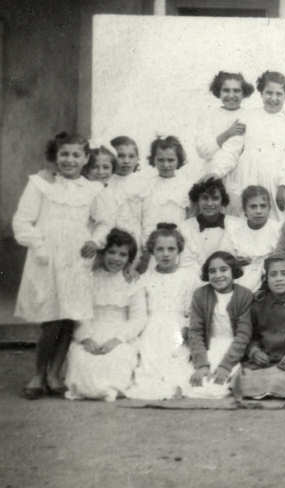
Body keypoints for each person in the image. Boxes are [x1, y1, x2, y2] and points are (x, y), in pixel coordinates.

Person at [13, 132, 115, 399]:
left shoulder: (93, 189)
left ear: (86, 158)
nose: (70, 160)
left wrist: (95, 240)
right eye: (64, 154)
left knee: (70, 316)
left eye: (76, 155)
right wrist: (39, 245)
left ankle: (54, 373)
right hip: (47, 257)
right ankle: (38, 374)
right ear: (55, 156)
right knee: (51, 319)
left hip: (76, 258)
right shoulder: (40, 184)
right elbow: (22, 221)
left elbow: (105, 221)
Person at [208, 71, 285, 221]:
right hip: (246, 176)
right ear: (261, 93)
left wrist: (284, 184)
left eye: (279, 94)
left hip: (276, 180)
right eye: (269, 93)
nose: (273, 98)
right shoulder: (247, 116)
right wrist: (216, 171)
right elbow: (232, 149)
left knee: (276, 222)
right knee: (243, 219)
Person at [64, 229, 145, 401]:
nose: (116, 258)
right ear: (102, 253)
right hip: (91, 330)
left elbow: (138, 318)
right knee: (81, 357)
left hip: (120, 333)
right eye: (111, 252)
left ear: (129, 258)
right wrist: (85, 338)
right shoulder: (89, 278)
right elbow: (80, 313)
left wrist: (118, 339)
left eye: (122, 254)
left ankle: (110, 390)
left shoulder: (132, 281)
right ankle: (85, 389)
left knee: (117, 357)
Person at [126, 224, 195, 400]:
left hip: (178, 328)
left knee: (177, 362)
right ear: (152, 251)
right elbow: (139, 312)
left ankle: (176, 383)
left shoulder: (188, 277)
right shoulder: (144, 279)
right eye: (160, 249)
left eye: (171, 249)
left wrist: (188, 327)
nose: (165, 254)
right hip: (152, 328)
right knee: (150, 364)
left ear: (179, 250)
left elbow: (192, 309)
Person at [185, 252, 254, 399]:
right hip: (208, 348)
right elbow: (195, 332)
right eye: (212, 271)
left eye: (223, 270)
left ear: (233, 271)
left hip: (234, 350)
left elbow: (243, 335)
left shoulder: (245, 295)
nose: (218, 275)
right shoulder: (200, 295)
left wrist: (225, 366)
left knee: (218, 388)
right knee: (195, 386)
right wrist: (202, 365)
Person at [236, 254, 285, 399]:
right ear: (266, 279)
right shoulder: (258, 304)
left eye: (284, 274)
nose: (279, 279)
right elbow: (250, 335)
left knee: (284, 381)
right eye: (273, 275)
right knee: (244, 380)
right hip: (264, 361)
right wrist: (254, 352)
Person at [195, 71, 254, 209]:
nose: (231, 95)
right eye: (226, 90)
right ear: (218, 92)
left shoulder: (248, 117)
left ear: (244, 93)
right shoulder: (208, 116)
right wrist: (227, 133)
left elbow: (233, 150)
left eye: (236, 91)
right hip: (211, 175)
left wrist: (217, 172)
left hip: (237, 175)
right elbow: (203, 151)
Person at [121, 136, 190, 239]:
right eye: (161, 160)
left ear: (178, 160)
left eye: (171, 160)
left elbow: (189, 220)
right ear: (154, 160)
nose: (165, 165)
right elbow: (137, 219)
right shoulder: (146, 186)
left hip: (176, 241)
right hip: (149, 240)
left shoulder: (186, 187)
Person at [222, 185, 283, 292]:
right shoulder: (235, 230)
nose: (258, 211)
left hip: (270, 280)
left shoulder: (278, 230)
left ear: (269, 208)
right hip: (241, 279)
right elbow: (224, 258)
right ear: (245, 210)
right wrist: (235, 262)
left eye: (263, 206)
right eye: (253, 207)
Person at [178, 177, 236, 269]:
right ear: (197, 200)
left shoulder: (236, 225)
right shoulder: (185, 228)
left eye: (215, 198)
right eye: (205, 198)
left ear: (222, 200)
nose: (209, 203)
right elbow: (186, 263)